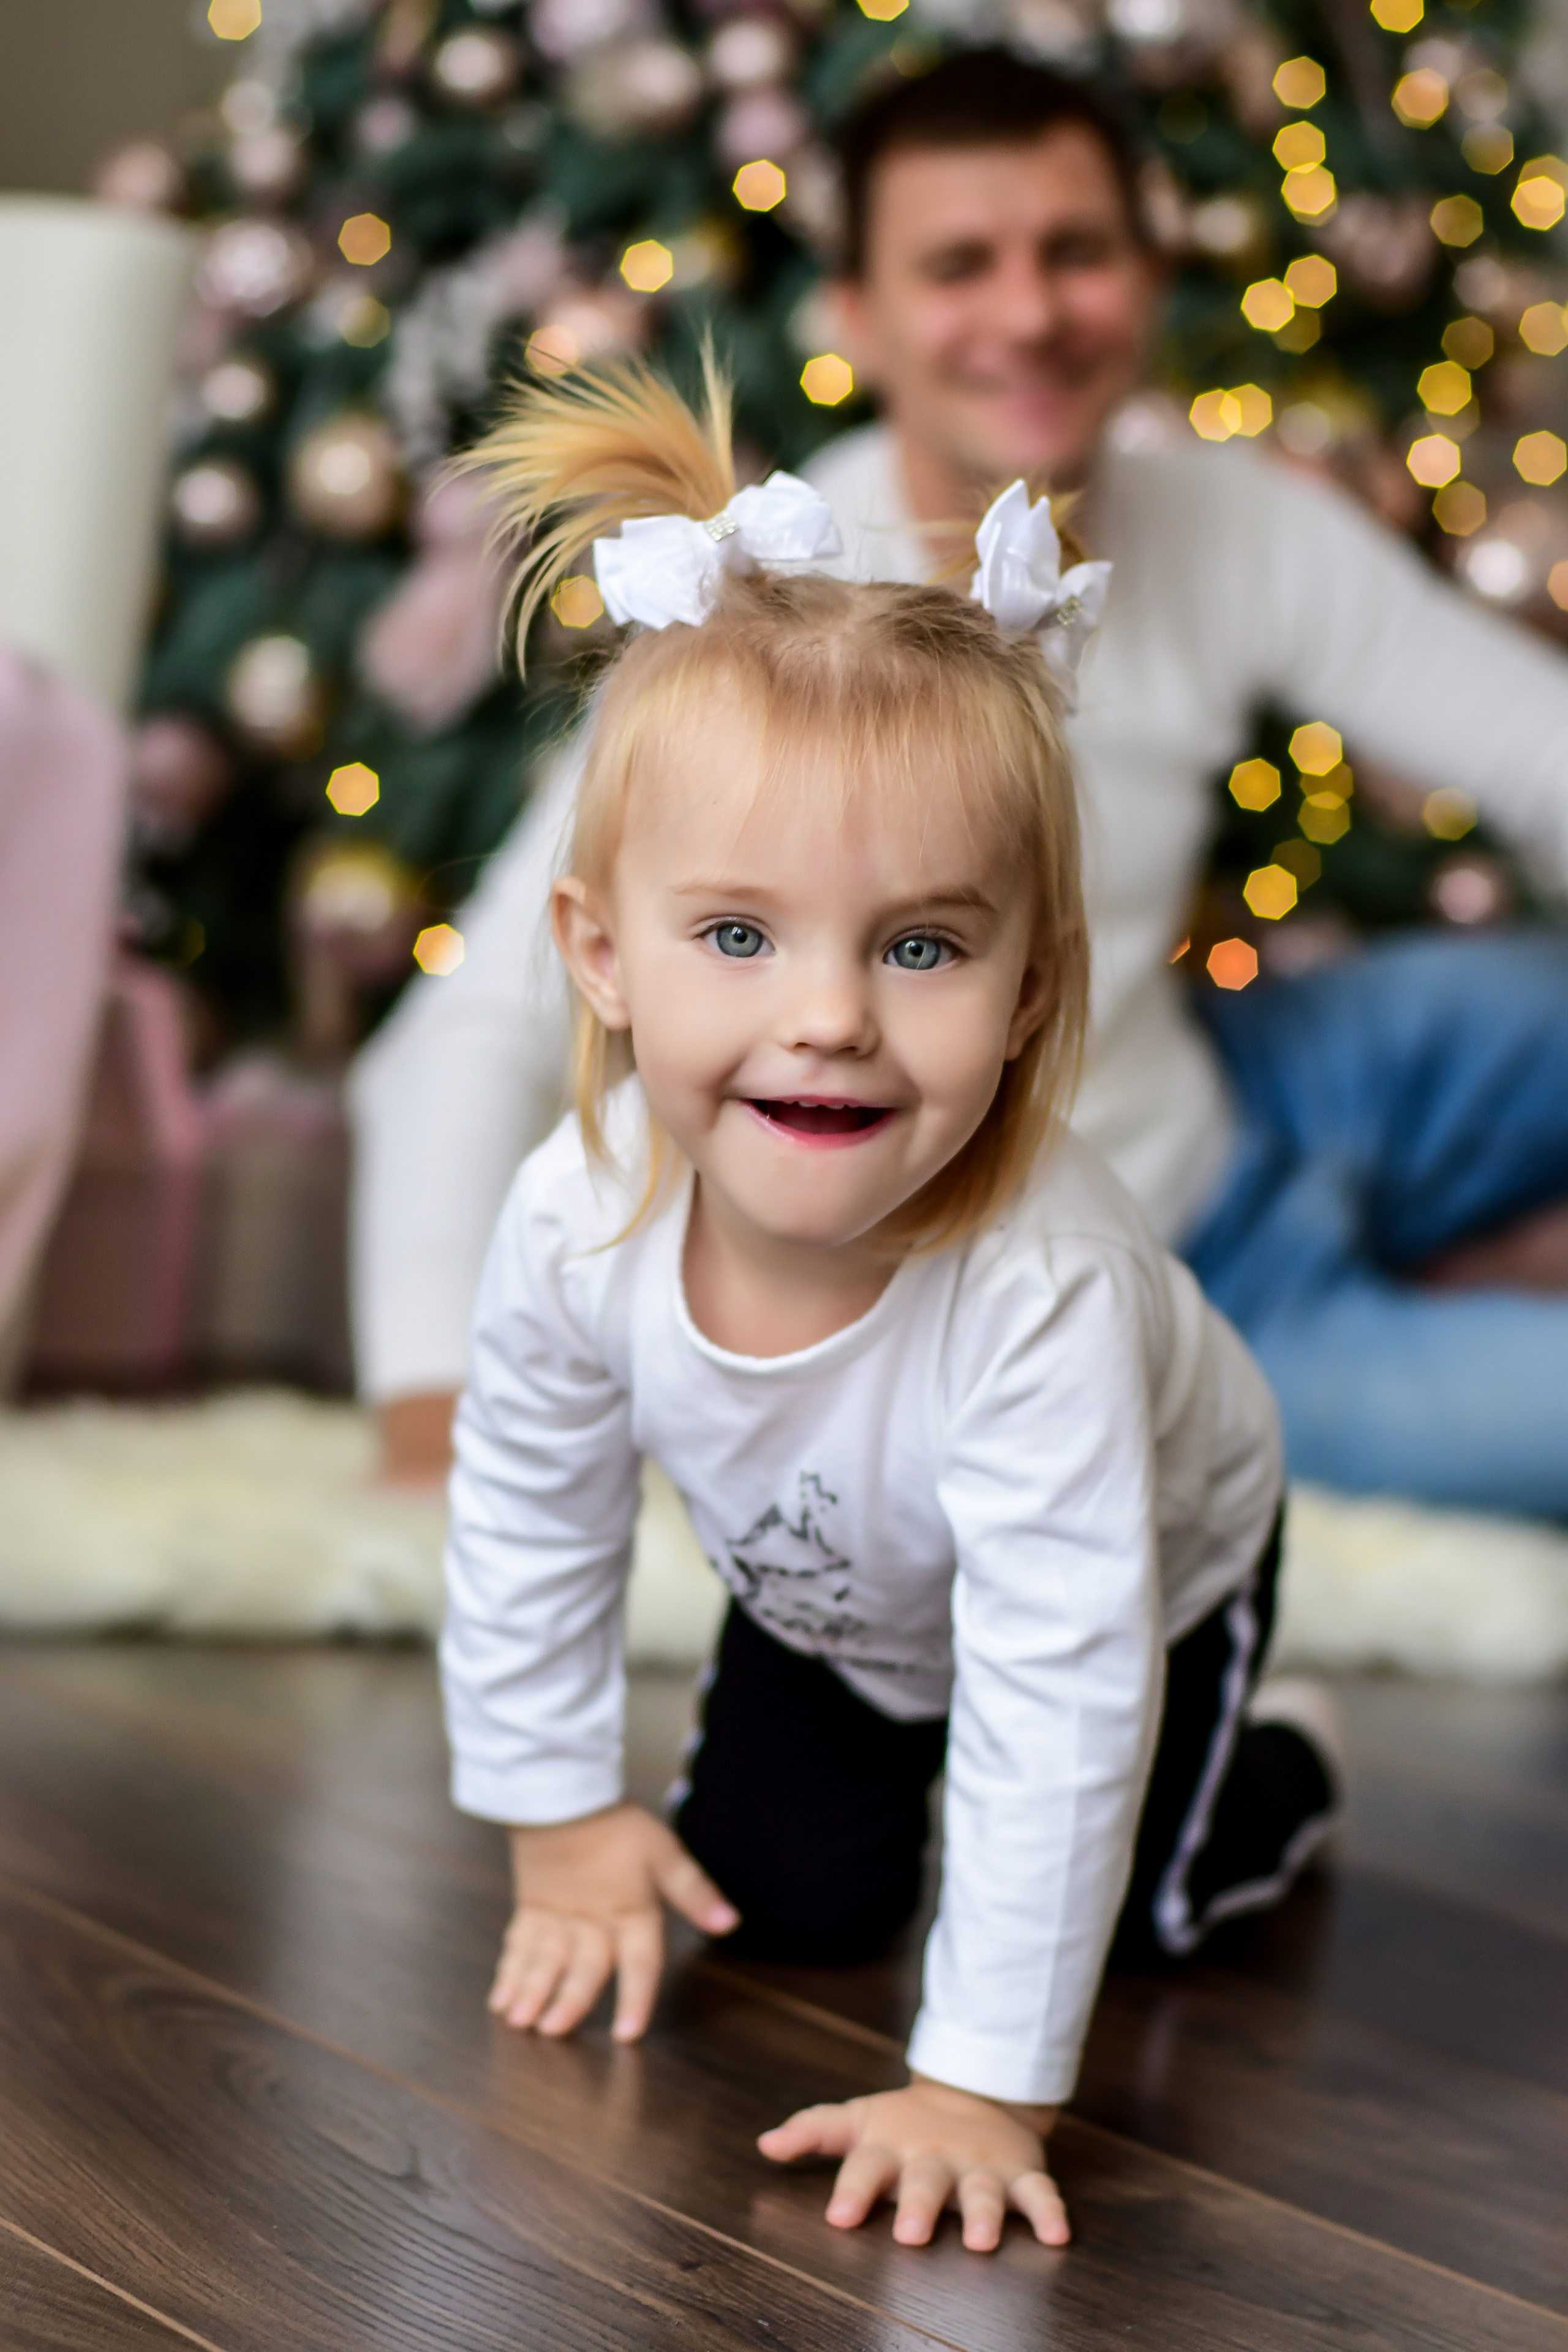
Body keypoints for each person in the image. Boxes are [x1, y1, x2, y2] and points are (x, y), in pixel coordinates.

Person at [353, 48, 1568, 1512]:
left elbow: (1532, 742)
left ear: (1144, 271)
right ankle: (1443, 1276)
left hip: (1244, 1084)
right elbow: (472, 1026)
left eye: (1074, 253)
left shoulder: (1220, 516)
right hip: (1135, 1271)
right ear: (858, 319)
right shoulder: (768, 621)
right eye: (958, 266)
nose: (1028, 314)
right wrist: (433, 1420)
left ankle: (1463, 1234)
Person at [440, 357, 1339, 2255]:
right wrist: (557, 1815)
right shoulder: (575, 1220)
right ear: (602, 956)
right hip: (843, 1592)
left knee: (1148, 1920)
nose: (831, 1013)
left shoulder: (1042, 1300)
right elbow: (530, 1507)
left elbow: (1060, 1682)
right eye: (739, 936)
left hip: (1140, 1583)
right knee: (778, 1911)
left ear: (1029, 990)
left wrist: (980, 2086)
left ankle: (1278, 1767)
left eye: (923, 945)